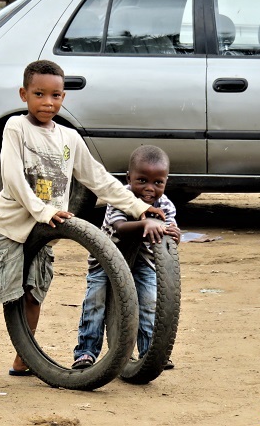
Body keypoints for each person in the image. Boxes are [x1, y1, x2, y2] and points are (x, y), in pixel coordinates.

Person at [0, 60, 166, 390]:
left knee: (33, 295)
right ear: (24, 94)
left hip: (45, 233)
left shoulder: (69, 137)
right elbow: (12, 179)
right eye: (39, 94)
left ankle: (24, 357)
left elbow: (99, 179)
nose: (47, 102)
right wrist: (42, 210)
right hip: (11, 228)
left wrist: (140, 207)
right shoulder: (16, 128)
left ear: (63, 97)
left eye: (55, 95)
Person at [72, 145, 181, 371]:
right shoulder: (121, 198)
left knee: (150, 304)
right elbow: (120, 228)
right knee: (96, 303)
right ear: (128, 178)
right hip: (106, 262)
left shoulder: (165, 205)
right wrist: (145, 223)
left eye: (158, 182)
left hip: (146, 263)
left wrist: (174, 235)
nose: (149, 188)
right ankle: (86, 352)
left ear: (166, 182)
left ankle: (151, 352)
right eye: (142, 180)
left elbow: (168, 237)